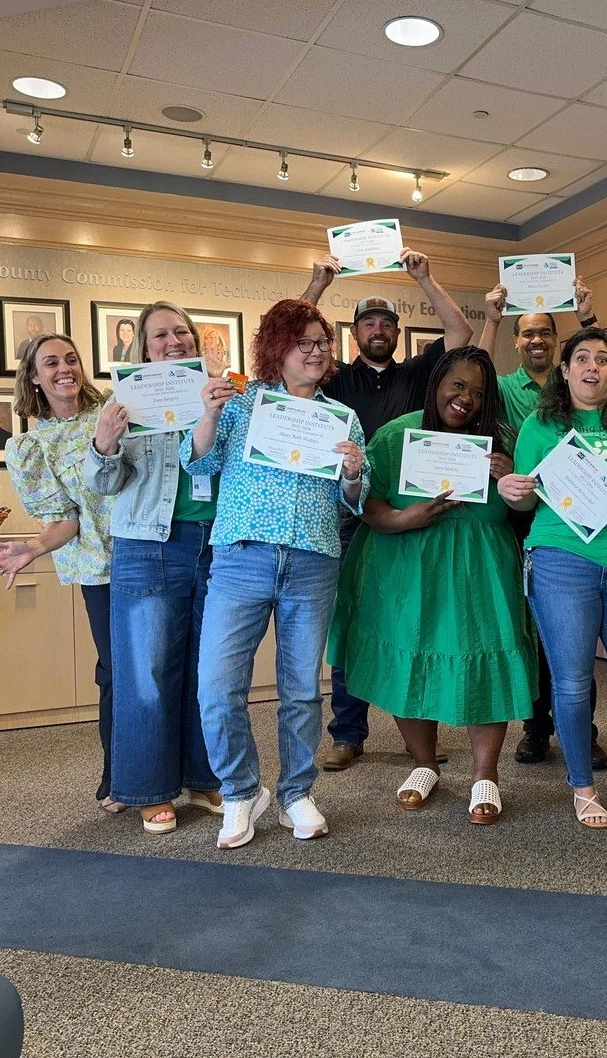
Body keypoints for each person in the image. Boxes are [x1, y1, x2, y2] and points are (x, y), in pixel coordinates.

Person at [182, 298, 368, 849]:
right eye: (303, 342)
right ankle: (240, 791)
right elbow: (198, 462)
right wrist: (209, 414)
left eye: (322, 342)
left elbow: (353, 500)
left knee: (301, 691)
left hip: (312, 561)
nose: (316, 351)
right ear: (277, 348)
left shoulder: (342, 417)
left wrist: (353, 472)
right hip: (241, 558)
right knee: (217, 687)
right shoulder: (243, 402)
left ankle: (296, 794)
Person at [328, 347, 536, 823]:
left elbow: (528, 509)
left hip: (482, 569)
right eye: (457, 385)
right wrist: (405, 518)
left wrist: (511, 479)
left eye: (478, 392)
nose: (466, 398)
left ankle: (486, 774)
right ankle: (424, 764)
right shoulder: (397, 435)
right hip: (407, 566)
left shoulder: (503, 440)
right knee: (410, 659)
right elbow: (366, 503)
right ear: (437, 383)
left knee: (486, 657)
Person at [299, 248, 475, 772]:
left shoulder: (420, 374)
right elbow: (288, 340)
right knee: (351, 620)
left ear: (398, 332)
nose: (378, 329)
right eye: (368, 322)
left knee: (413, 621)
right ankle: (348, 733)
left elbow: (461, 333)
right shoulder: (334, 377)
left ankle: (417, 734)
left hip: (413, 516)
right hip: (346, 512)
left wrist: (425, 278)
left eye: (386, 322)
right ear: (353, 333)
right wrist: (318, 285)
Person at [498, 328, 607, 830]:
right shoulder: (540, 424)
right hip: (561, 560)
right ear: (566, 369)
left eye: (603, 360)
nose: (593, 367)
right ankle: (583, 787)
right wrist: (511, 490)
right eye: (583, 359)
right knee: (572, 681)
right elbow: (525, 500)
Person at [82, 301, 223, 835]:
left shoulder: (219, 392)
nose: (173, 341)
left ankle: (203, 775)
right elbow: (103, 484)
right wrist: (105, 442)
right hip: (147, 544)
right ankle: (149, 788)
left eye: (182, 332)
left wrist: (216, 408)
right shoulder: (123, 400)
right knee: (147, 673)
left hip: (216, 545)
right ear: (143, 346)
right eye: (160, 334)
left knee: (208, 670)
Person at [0, 333, 116, 810]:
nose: (64, 368)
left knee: (164, 669)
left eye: (71, 359)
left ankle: (180, 772)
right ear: (34, 377)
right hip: (99, 570)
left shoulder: (115, 410)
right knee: (116, 672)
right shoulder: (33, 446)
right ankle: (119, 774)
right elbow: (66, 521)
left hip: (154, 556)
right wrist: (33, 548)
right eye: (51, 363)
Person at [478, 280, 605, 768]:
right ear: (517, 340)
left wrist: (588, 318)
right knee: (533, 629)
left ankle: (585, 732)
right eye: (527, 332)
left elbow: (606, 375)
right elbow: (476, 368)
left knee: (577, 632)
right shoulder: (505, 388)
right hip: (522, 518)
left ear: (556, 340)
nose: (536, 340)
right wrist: (492, 319)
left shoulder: (573, 380)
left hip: (577, 517)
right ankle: (536, 729)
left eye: (545, 333)